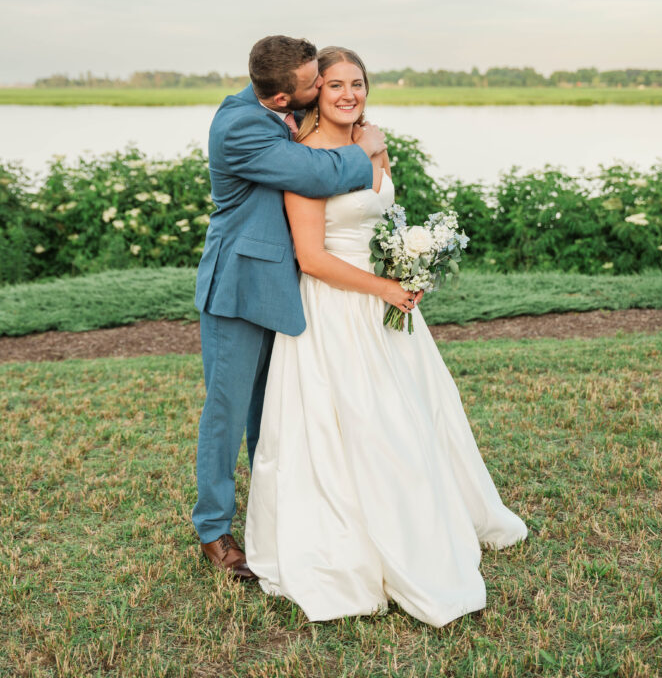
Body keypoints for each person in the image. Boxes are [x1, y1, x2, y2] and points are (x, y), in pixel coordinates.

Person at [245, 46, 528, 626]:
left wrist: (407, 264)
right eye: (334, 86)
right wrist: (383, 286)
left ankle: (433, 515)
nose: (349, 94)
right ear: (313, 96)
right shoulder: (303, 159)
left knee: (418, 412)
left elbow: (382, 216)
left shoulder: (373, 141)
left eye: (358, 83)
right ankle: (358, 547)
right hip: (336, 310)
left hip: (387, 302)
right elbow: (311, 258)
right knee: (366, 425)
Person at [192, 36, 388, 580]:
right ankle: (213, 529)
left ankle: (276, 520)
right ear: (282, 97)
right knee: (226, 415)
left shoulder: (282, 105)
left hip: (289, 288)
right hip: (239, 288)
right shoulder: (241, 127)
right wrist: (367, 148)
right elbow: (313, 175)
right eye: (314, 84)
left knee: (272, 415)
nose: (322, 88)